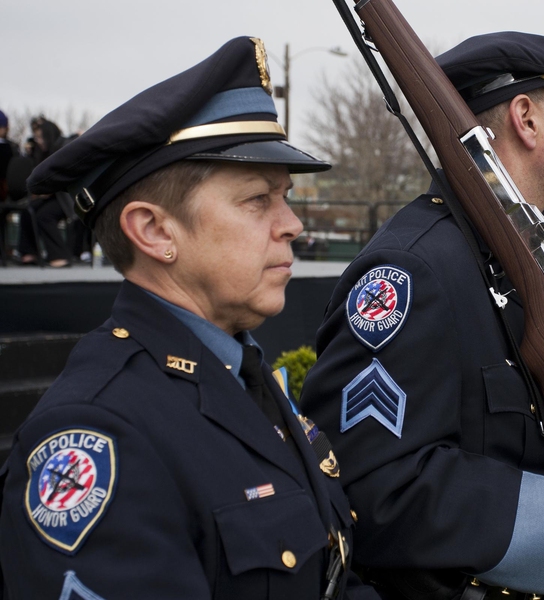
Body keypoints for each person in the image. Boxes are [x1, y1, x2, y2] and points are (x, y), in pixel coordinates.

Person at [300, 20, 544, 600]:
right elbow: (375, 487)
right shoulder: (415, 270)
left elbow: (514, 430)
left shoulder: (524, 260)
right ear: (526, 118)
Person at [0, 37, 379, 600]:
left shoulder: (235, 369)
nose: (292, 224)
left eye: (286, 197)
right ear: (154, 231)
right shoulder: (100, 435)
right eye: (257, 200)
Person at [16, 117, 76, 267]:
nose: (38, 141)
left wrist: (48, 190)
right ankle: (29, 253)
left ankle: (60, 256)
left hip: (68, 197)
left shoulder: (65, 146)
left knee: (44, 215)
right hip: (52, 196)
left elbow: (68, 174)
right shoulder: (42, 151)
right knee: (28, 211)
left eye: (40, 137)